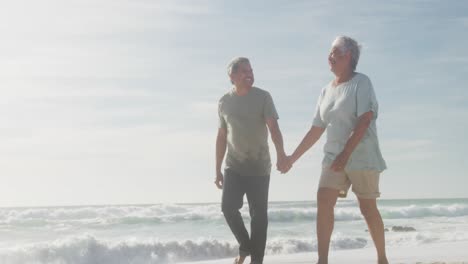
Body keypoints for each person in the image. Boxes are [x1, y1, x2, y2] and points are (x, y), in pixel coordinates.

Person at [284, 36, 388, 264]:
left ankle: (382, 259)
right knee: (323, 199)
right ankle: (322, 261)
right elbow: (316, 129)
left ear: (347, 56)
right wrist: (292, 158)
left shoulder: (362, 82)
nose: (329, 57)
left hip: (361, 155)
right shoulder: (325, 91)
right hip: (333, 156)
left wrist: (346, 153)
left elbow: (364, 120)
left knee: (367, 208)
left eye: (333, 52)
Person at [214, 57, 289, 264]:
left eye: (251, 70)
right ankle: (245, 245)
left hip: (259, 165)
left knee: (259, 216)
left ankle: (257, 260)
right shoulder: (224, 102)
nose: (250, 74)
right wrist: (217, 169)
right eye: (245, 71)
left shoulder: (263, 97)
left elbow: (273, 128)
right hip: (234, 165)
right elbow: (221, 136)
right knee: (228, 208)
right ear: (233, 76)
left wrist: (281, 154)